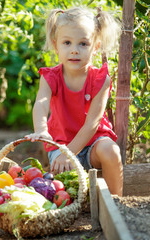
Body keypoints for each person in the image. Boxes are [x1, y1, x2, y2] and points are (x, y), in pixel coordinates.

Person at [25, 7, 123, 196]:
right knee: (60, 190)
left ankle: (116, 202)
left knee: (111, 151)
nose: (74, 51)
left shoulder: (100, 79)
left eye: (83, 44)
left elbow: (93, 123)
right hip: (61, 146)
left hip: (93, 144)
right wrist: (41, 130)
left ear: (95, 47)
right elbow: (41, 103)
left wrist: (69, 153)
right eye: (67, 43)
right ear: (56, 46)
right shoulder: (50, 77)